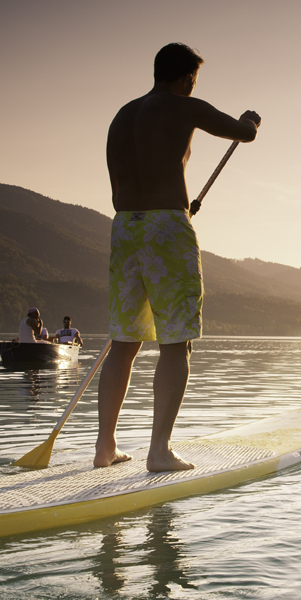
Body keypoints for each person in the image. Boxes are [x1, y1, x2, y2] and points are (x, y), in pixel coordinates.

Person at [96, 42, 261, 471]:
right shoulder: (181, 106)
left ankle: (104, 448)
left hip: (124, 227)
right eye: (194, 81)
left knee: (123, 343)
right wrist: (248, 120)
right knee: (176, 342)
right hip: (166, 228)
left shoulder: (121, 116)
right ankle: (159, 451)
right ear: (187, 77)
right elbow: (243, 133)